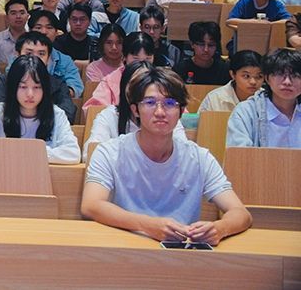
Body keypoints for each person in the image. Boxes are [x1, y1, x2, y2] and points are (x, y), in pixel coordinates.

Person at [82, 65, 251, 245]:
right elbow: (91, 205)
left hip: (180, 251)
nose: (160, 112)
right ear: (135, 109)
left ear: (181, 111)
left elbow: (241, 213)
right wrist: (147, 225)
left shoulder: (200, 158)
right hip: (125, 247)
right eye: (150, 103)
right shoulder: (110, 152)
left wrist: (220, 228)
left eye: (170, 103)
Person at [0, 55, 80, 164]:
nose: (30, 94)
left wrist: (30, 152)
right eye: (23, 87)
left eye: (37, 87)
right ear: (13, 87)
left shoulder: (56, 114)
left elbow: (73, 154)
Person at [83, 61, 187, 162]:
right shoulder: (109, 115)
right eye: (135, 84)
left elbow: (183, 154)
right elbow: (90, 153)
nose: (140, 89)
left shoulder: (166, 117)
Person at [226, 48, 300, 148]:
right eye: (280, 74)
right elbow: (240, 155)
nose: (287, 82)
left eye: (295, 76)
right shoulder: (245, 112)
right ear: (267, 78)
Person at [84, 33, 157, 110]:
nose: (142, 65)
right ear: (124, 57)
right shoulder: (110, 81)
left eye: (148, 59)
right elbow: (93, 109)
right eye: (136, 59)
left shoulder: (160, 79)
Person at [198, 50, 265, 113]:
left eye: (259, 76)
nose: (253, 82)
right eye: (246, 76)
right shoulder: (214, 98)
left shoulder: (267, 99)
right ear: (232, 74)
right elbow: (201, 121)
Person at [174, 21, 229, 85]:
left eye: (211, 45)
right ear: (192, 44)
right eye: (201, 44)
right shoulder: (180, 70)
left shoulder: (224, 70)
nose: (206, 49)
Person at [0, 0, 30, 66]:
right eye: (13, 13)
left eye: (22, 13)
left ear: (27, 16)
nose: (18, 16)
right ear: (6, 17)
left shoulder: (34, 40)